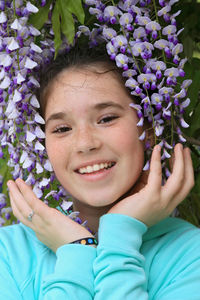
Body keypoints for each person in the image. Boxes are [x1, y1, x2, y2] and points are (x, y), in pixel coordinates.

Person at [1, 48, 200, 300]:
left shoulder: (190, 253)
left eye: (106, 119)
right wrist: (76, 251)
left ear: (148, 129)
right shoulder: (7, 253)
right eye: (62, 128)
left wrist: (120, 234)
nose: (85, 143)